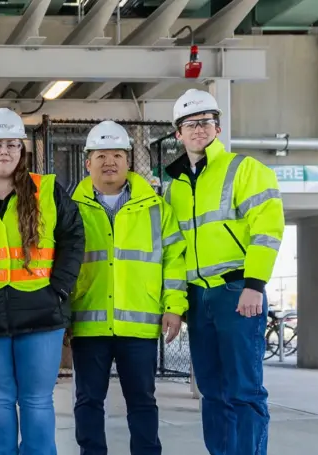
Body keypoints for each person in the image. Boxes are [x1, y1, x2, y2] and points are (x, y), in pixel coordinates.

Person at [163, 89, 284, 455]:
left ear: (217, 127)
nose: (198, 130)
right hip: (200, 298)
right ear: (178, 134)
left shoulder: (245, 169)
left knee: (244, 390)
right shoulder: (175, 189)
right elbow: (176, 252)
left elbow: (268, 228)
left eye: (205, 122)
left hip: (237, 292)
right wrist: (176, 304)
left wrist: (255, 284)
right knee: (212, 392)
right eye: (190, 124)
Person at [0, 108, 85, 455]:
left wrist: (59, 288)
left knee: (37, 402)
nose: (4, 152)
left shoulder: (47, 191)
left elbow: (74, 237)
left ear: (21, 150)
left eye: (12, 144)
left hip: (41, 315)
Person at [69, 120, 189, 455]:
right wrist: (62, 314)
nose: (110, 162)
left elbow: (174, 259)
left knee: (142, 402)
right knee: (88, 401)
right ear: (87, 162)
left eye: (117, 155)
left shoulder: (155, 209)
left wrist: (174, 306)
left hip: (139, 325)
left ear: (128, 161)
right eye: (101, 155)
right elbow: (59, 264)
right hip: (88, 323)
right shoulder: (70, 209)